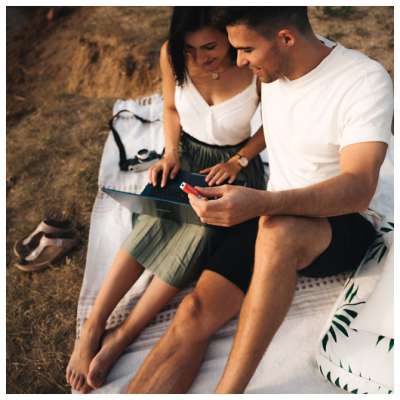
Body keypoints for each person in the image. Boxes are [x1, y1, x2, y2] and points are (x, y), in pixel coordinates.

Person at [124, 6, 393, 394]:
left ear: (286, 38)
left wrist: (262, 204)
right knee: (194, 311)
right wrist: (236, 168)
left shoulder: (362, 80)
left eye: (246, 50)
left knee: (277, 231)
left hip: (344, 224)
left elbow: (359, 187)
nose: (238, 61)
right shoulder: (271, 67)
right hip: (273, 209)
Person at [66, 6, 266, 394]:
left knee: (197, 235)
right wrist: (170, 153)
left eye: (209, 47)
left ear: (229, 36)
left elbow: (274, 124)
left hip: (231, 167)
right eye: (188, 49)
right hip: (185, 154)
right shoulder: (169, 54)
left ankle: (123, 336)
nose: (199, 58)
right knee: (153, 215)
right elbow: (171, 108)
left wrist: (239, 161)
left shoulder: (252, 61)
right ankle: (93, 326)